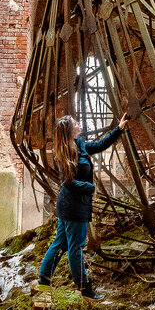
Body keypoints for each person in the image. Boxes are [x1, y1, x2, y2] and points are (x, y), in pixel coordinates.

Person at [37, 111, 128, 299]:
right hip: (73, 206)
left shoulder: (80, 145)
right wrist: (90, 187)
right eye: (75, 123)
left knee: (60, 243)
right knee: (75, 247)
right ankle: (84, 287)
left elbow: (100, 144)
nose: (79, 124)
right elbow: (68, 183)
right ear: (70, 130)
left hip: (74, 205)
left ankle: (44, 280)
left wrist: (118, 129)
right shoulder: (63, 153)